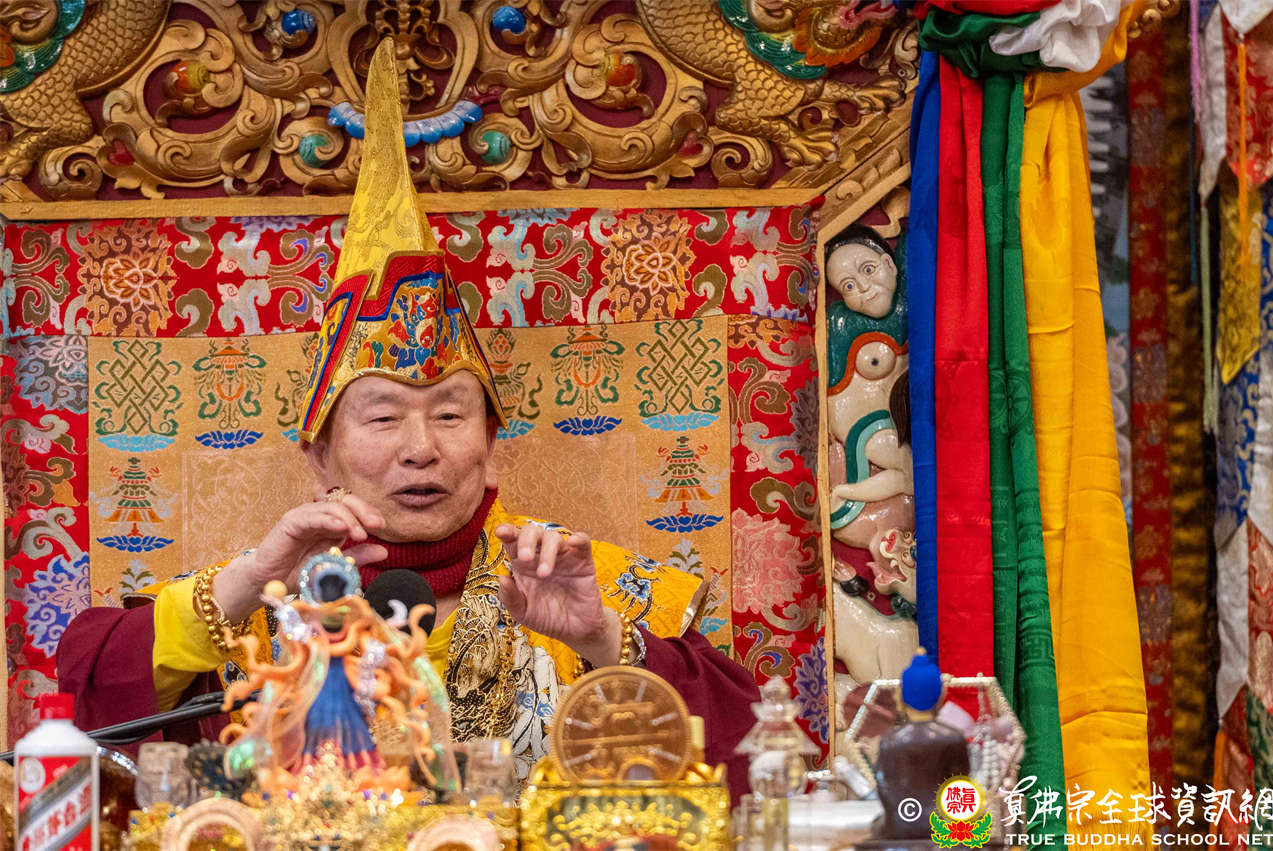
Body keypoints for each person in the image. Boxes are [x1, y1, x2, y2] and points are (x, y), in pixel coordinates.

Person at [56, 40, 758, 797]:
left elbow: (751, 756)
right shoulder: (259, 603)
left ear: (491, 444)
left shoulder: (589, 589)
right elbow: (90, 695)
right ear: (319, 454)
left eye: (450, 414)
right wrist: (250, 579)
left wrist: (599, 638)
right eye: (383, 416)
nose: (421, 448)